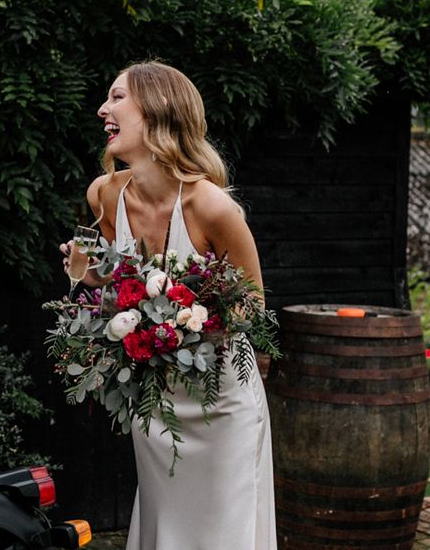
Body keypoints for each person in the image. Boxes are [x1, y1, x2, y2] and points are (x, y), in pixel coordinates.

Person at [61, 61, 276, 550]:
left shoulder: (212, 207)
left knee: (224, 533)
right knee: (167, 529)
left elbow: (255, 309)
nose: (103, 109)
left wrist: (187, 325)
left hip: (221, 403)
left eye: (116, 98)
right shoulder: (104, 194)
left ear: (155, 110)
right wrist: (82, 268)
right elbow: (114, 281)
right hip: (156, 403)